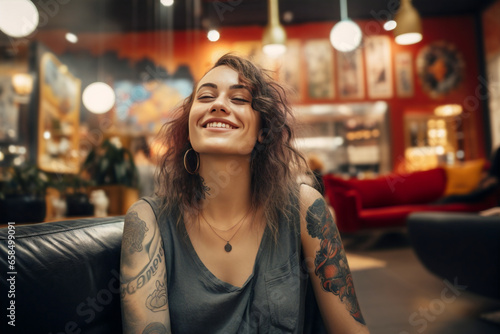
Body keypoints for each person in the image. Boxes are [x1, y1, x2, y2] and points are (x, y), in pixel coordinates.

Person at [120, 54, 369, 334]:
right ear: (189, 126)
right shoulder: (148, 220)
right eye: (204, 97)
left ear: (263, 131)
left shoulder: (304, 207)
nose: (218, 104)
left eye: (238, 99)